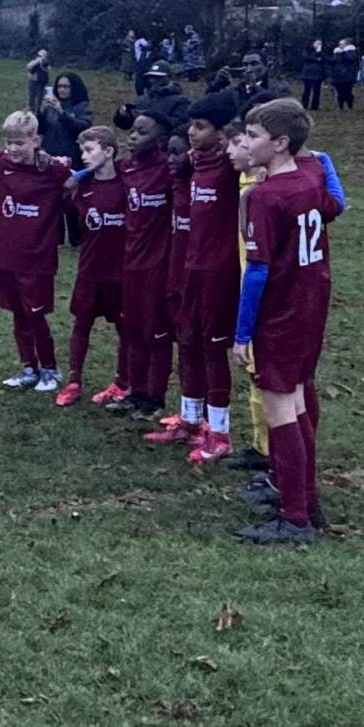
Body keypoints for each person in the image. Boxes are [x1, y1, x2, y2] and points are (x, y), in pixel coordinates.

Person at [230, 98, 336, 545]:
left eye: (254, 136)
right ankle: (306, 500)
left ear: (279, 143)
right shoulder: (309, 176)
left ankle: (295, 518)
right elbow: (335, 203)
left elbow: (257, 272)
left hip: (282, 311)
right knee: (297, 399)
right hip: (312, 304)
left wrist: (242, 333)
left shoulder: (266, 196)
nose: (246, 143)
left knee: (281, 409)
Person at [144, 93, 242, 462]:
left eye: (201, 127)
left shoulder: (232, 167)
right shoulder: (194, 164)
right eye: (191, 125)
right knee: (187, 342)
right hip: (190, 267)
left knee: (212, 349)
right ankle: (189, 420)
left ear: (222, 133)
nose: (192, 132)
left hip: (219, 271)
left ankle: (219, 432)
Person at [106, 105, 177, 417]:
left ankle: (154, 399)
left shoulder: (168, 170)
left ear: (160, 141)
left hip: (158, 265)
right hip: (130, 262)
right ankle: (135, 393)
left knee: (156, 333)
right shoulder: (127, 169)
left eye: (142, 132)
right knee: (132, 330)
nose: (133, 137)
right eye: (133, 130)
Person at [0, 111, 70, 393]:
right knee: (17, 313)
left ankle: (50, 368)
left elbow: (79, 180)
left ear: (35, 140)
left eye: (20, 143)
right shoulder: (2, 164)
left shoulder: (52, 169)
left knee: (35, 315)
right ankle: (28, 367)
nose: (13, 148)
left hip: (37, 257)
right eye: (9, 142)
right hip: (7, 254)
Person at [54, 126, 129, 407]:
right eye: (81, 151)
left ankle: (122, 382)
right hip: (90, 268)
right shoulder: (81, 187)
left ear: (108, 151)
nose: (84, 156)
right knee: (81, 323)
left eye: (89, 150)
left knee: (125, 328)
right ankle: (74, 381)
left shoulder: (126, 182)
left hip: (120, 271)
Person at [36, 72, 92, 164]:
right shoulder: (50, 106)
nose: (62, 90)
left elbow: (84, 127)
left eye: (66, 87)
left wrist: (62, 113)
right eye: (59, 86)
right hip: (50, 155)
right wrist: (41, 112)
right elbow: (39, 130)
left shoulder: (82, 106)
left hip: (73, 157)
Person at [328, 38, 359, 110]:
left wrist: (343, 53)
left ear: (347, 44)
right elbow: (331, 62)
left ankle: (350, 106)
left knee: (348, 92)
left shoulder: (351, 52)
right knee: (340, 92)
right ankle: (341, 107)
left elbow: (350, 60)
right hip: (337, 76)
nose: (340, 45)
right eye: (339, 44)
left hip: (348, 75)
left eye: (342, 44)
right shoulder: (336, 52)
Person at [298, 39, 326, 110]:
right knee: (306, 90)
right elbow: (306, 58)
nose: (318, 45)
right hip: (307, 73)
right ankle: (304, 105)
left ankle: (315, 106)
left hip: (318, 74)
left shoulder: (322, 51)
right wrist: (316, 59)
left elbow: (324, 59)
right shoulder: (307, 50)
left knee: (316, 91)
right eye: (317, 43)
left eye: (320, 43)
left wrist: (319, 53)